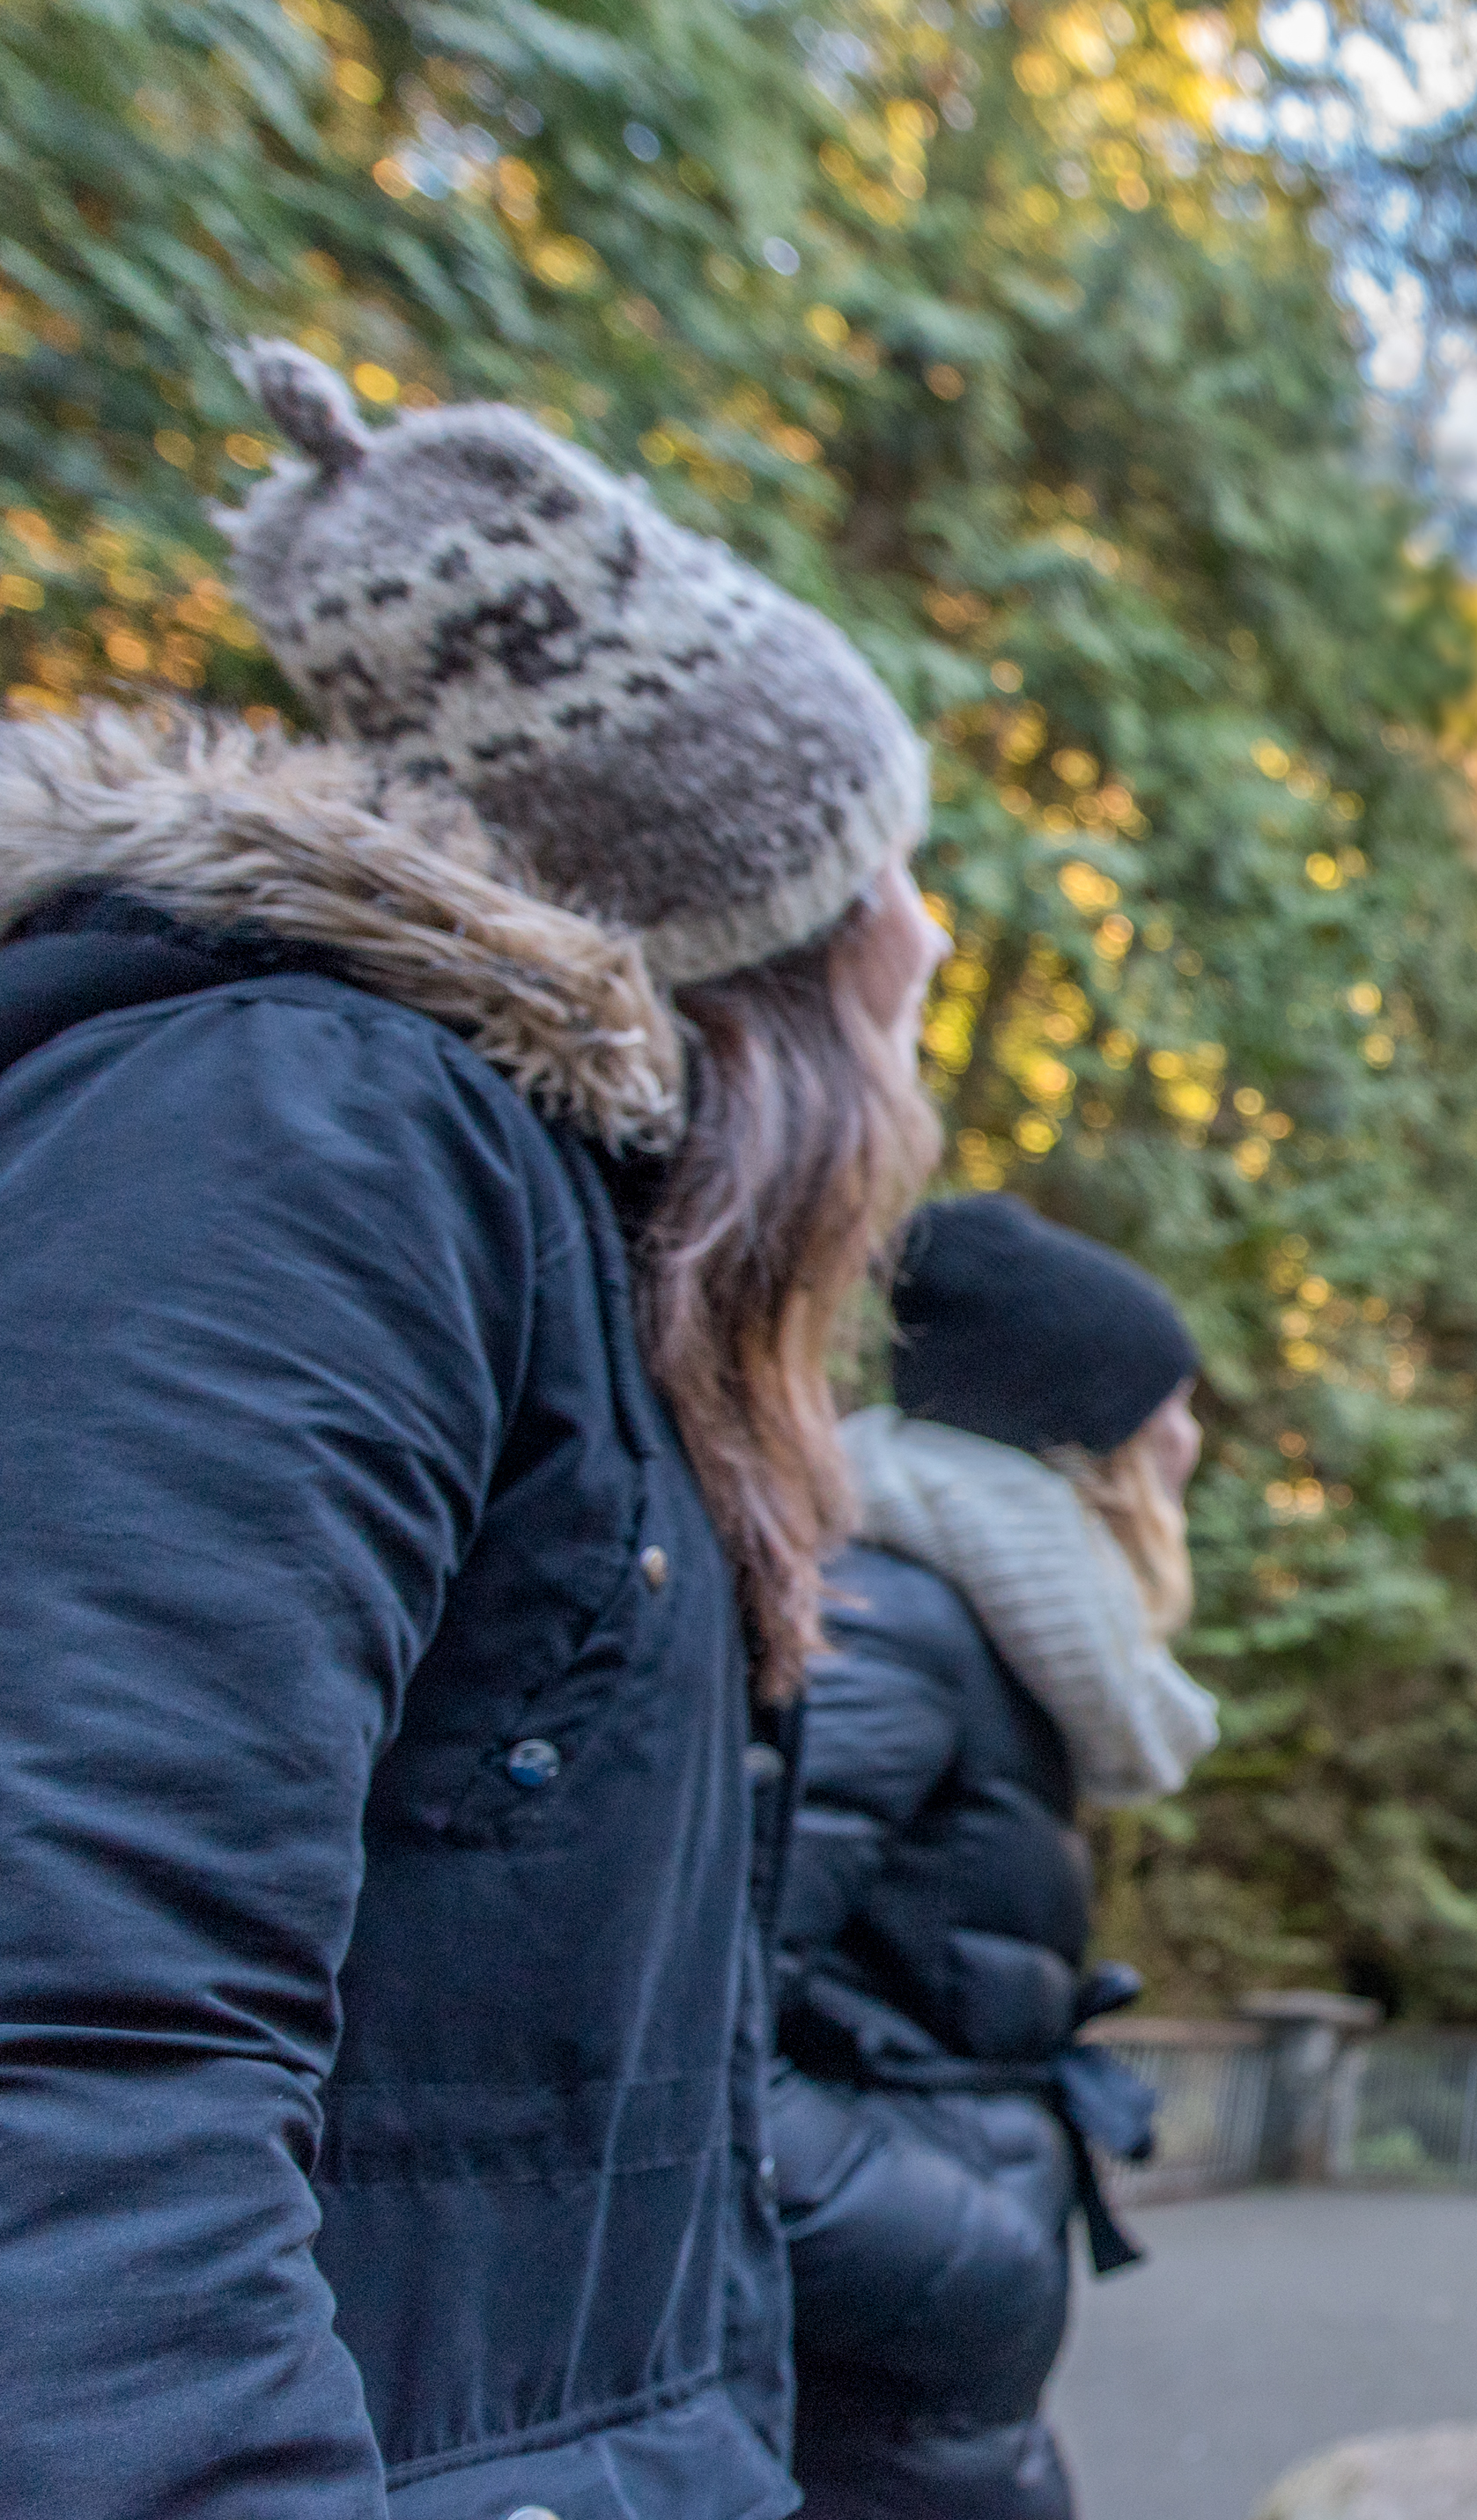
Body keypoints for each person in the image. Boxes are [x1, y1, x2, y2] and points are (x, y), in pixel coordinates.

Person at [0, 345, 944, 2514]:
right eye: (883, 874)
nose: (929, 930)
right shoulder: (291, 1135)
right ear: (764, 956)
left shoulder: (573, 1266)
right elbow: (71, 2040)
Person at [771, 1193, 1221, 2517]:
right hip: (875, 2368)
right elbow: (676, 2034)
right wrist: (969, 2252)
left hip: (909, 2384)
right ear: (1090, 1444)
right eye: (1172, 1405)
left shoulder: (980, 1638)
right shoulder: (897, 1630)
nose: (1193, 1440)